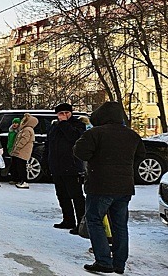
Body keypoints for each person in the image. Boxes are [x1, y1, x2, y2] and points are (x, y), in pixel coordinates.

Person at [73, 102, 145, 274]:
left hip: (100, 186)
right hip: (125, 188)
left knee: (95, 221)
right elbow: (141, 156)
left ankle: (104, 261)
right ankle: (119, 263)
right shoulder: (132, 135)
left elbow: (80, 152)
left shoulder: (95, 133)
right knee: (120, 225)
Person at [42, 102, 86, 235]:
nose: (64, 115)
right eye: (61, 113)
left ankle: (81, 223)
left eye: (66, 113)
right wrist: (46, 162)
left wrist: (64, 123)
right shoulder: (53, 127)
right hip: (56, 166)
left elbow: (74, 137)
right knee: (62, 195)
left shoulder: (77, 124)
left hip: (71, 167)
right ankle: (68, 220)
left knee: (76, 196)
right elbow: (48, 145)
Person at [10, 113, 38, 189]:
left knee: (21, 167)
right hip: (21, 151)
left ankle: (24, 181)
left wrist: (18, 147)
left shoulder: (27, 129)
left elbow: (24, 140)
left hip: (22, 152)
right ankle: (18, 180)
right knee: (18, 166)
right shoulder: (25, 129)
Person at [7, 117, 21, 185]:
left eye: (16, 123)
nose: (14, 124)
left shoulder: (18, 132)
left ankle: (17, 178)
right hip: (11, 149)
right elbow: (10, 140)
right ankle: (13, 178)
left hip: (17, 150)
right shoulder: (11, 131)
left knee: (17, 165)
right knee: (13, 165)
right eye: (13, 123)